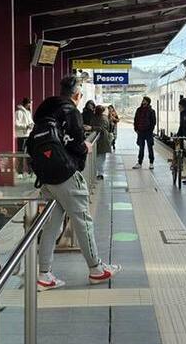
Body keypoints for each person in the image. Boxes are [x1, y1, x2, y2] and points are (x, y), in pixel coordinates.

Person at [31, 76, 121, 289]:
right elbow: (76, 143)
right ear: (77, 95)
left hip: (46, 175)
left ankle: (44, 274)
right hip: (65, 174)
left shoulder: (46, 110)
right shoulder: (71, 111)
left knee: (52, 225)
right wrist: (85, 148)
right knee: (83, 220)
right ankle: (96, 269)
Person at [133, 96, 157, 169]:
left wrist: (150, 130)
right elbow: (136, 120)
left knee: (150, 148)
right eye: (143, 100)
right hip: (140, 132)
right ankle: (139, 162)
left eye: (145, 100)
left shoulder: (151, 111)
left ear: (148, 102)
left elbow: (153, 122)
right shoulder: (139, 110)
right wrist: (136, 129)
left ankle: (151, 162)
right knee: (141, 148)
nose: (143, 101)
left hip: (148, 132)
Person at [91, 105, 113, 180]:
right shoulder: (104, 118)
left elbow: (102, 128)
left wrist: (91, 128)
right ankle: (99, 173)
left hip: (101, 140)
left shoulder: (98, 118)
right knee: (101, 158)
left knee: (99, 158)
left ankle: (100, 173)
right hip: (103, 140)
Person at [14, 97, 34, 175]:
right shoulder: (18, 112)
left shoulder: (28, 113)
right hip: (21, 136)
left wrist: (31, 125)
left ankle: (30, 170)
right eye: (30, 104)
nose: (30, 106)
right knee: (21, 154)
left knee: (29, 153)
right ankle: (20, 172)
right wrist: (26, 126)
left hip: (28, 135)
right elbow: (16, 124)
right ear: (27, 103)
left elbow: (31, 122)